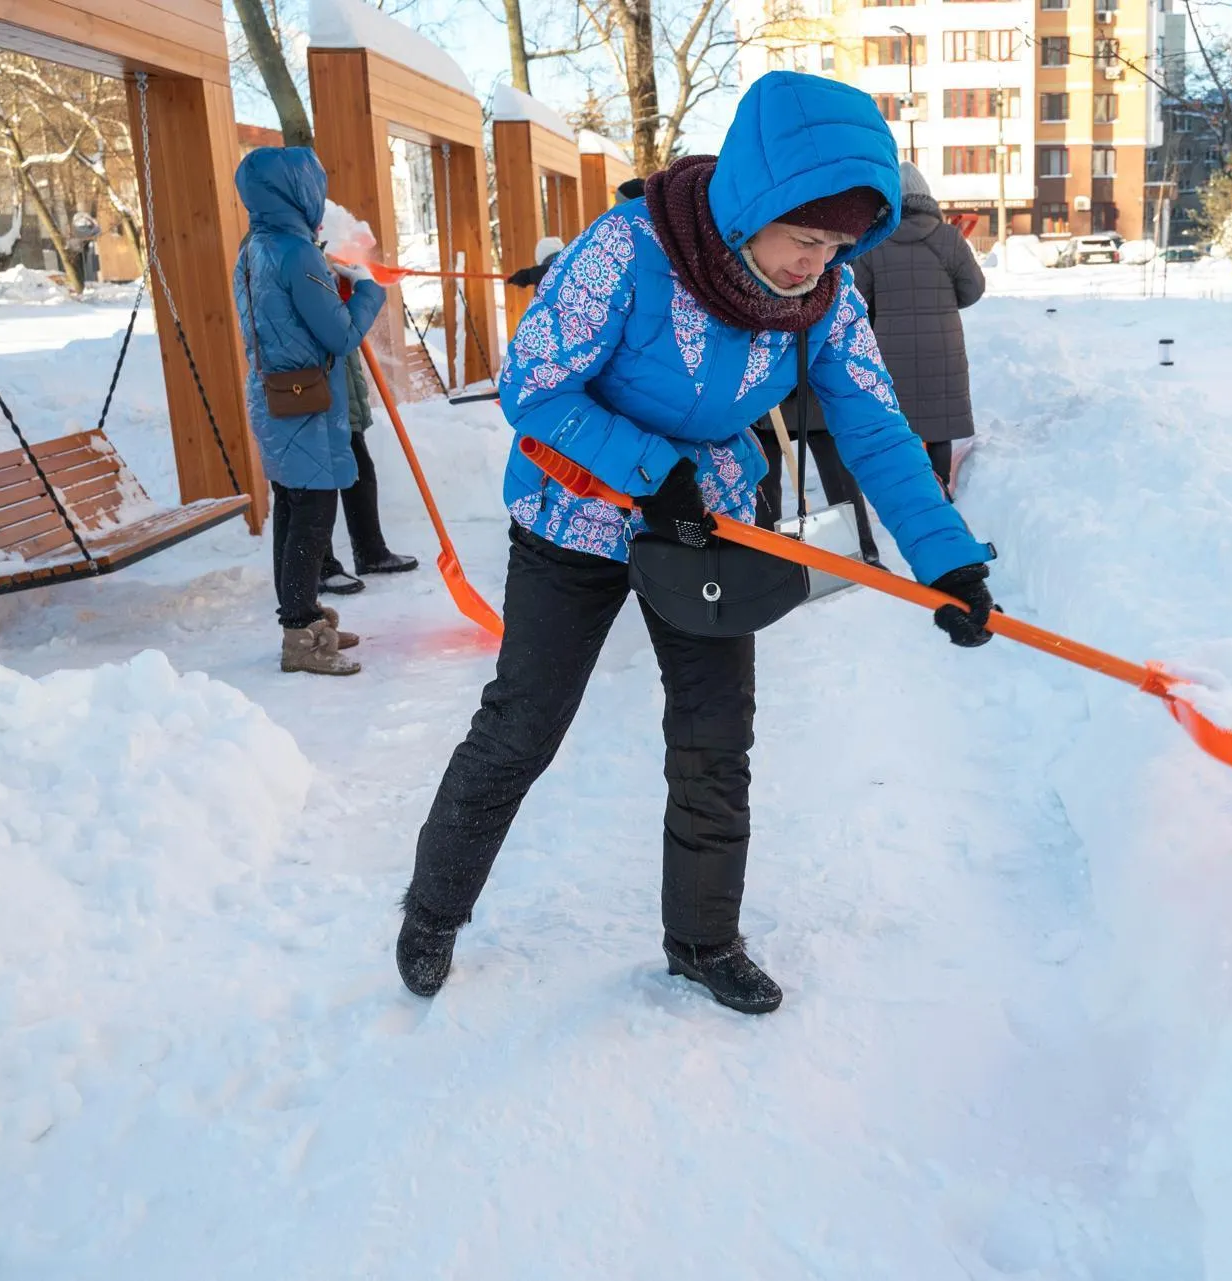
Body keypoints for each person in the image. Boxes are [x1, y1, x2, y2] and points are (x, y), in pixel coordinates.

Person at [395, 72, 999, 1014]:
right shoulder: (628, 250)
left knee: (716, 736)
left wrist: (946, 558)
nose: (815, 264)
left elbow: (878, 429)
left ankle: (704, 940)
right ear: (755, 203)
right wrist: (649, 471)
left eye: (837, 247)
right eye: (804, 238)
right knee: (524, 722)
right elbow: (533, 384)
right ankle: (433, 910)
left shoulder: (825, 299)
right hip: (576, 509)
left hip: (707, 522)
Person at [233, 146, 386, 676]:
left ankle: (305, 618)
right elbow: (339, 334)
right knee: (312, 517)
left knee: (293, 509)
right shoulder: (297, 253)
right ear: (298, 191)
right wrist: (367, 289)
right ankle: (300, 636)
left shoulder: (255, 247)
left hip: (275, 395)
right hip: (306, 403)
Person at [849, 161, 985, 491]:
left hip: (890, 350)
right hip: (942, 347)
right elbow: (973, 289)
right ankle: (941, 491)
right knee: (939, 427)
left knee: (897, 427)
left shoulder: (874, 242)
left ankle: (907, 492)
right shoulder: (949, 238)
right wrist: (941, 304)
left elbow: (858, 298)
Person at [319, 351, 420, 595]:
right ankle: (322, 567)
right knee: (320, 487)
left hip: (343, 402)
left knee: (361, 474)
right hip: (324, 402)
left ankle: (370, 551)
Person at [754, 388, 883, 565]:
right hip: (766, 405)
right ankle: (767, 556)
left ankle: (862, 552)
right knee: (764, 479)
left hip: (812, 399)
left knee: (839, 475)